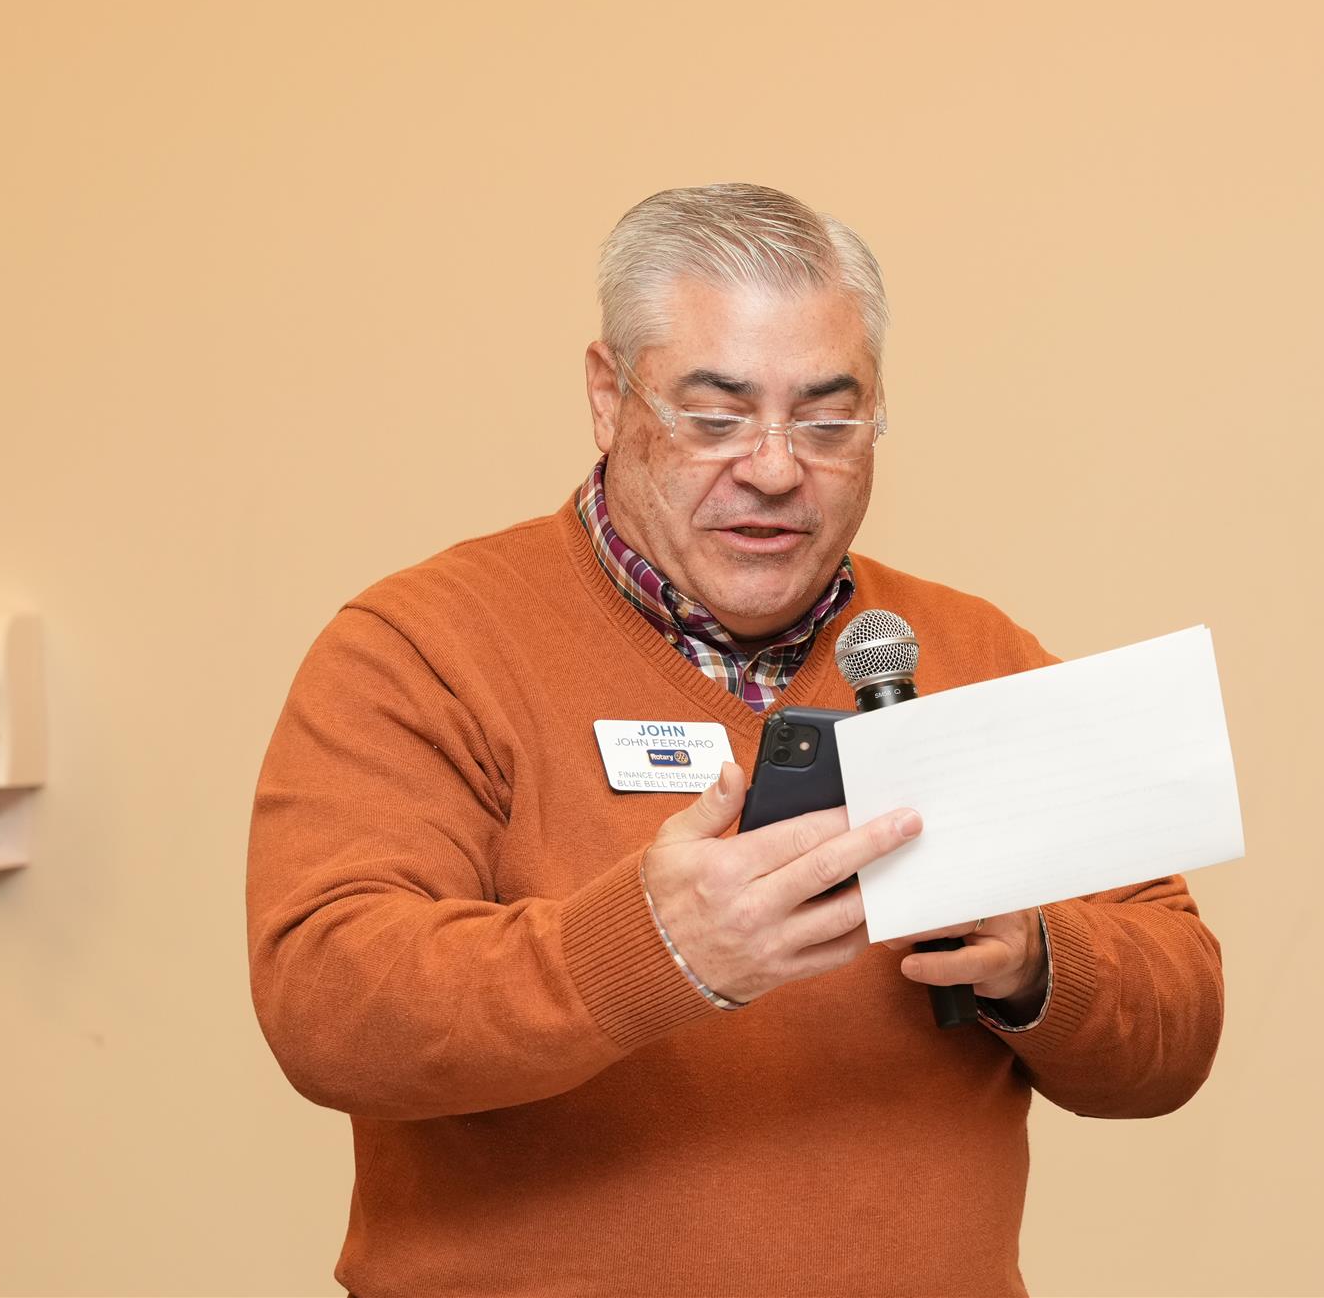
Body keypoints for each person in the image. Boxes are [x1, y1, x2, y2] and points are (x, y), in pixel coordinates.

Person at [246, 183, 1224, 1298]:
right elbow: (327, 1006)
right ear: (609, 396)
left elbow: (1177, 1028)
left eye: (827, 421)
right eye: (715, 418)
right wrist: (648, 951)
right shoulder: (423, 647)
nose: (772, 467)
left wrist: (1039, 956)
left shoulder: (974, 654)